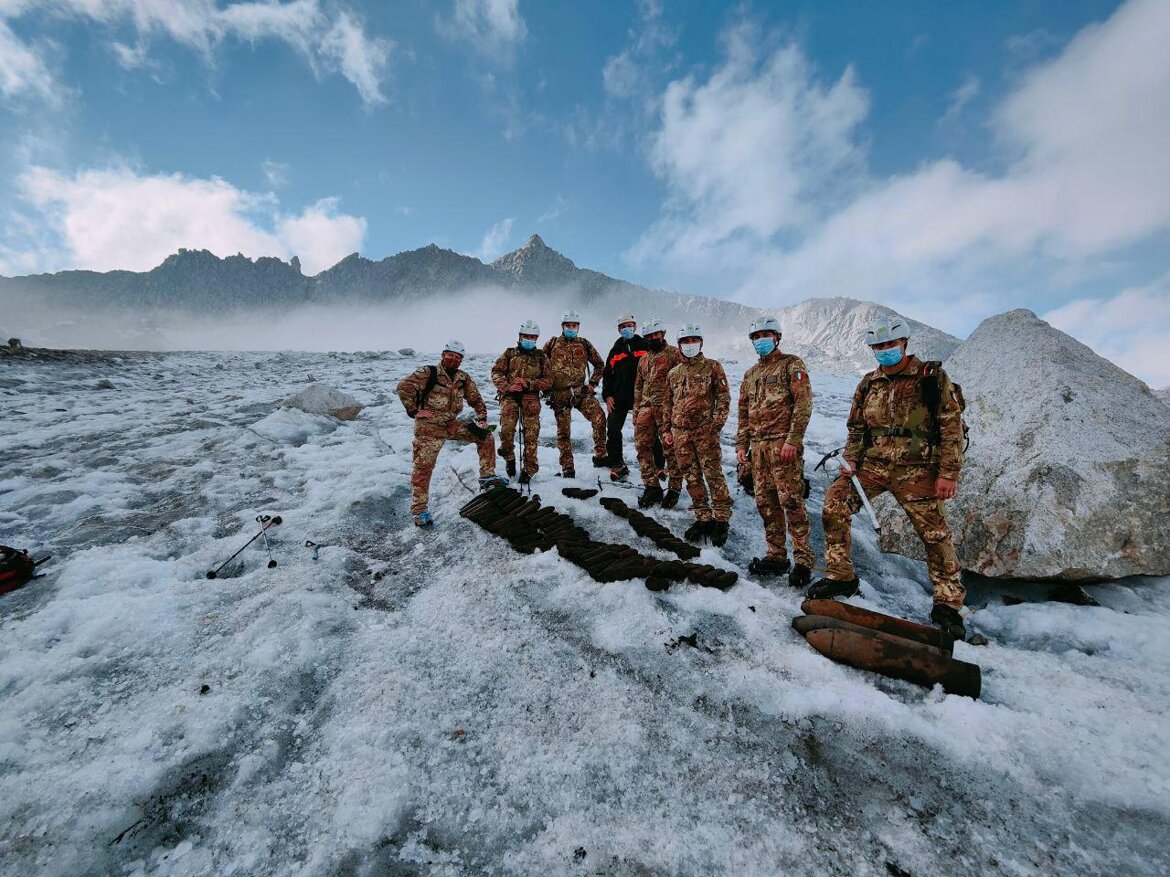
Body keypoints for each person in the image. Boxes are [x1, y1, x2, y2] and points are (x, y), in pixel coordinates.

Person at [808, 314, 968, 640]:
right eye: (878, 346)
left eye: (889, 344)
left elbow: (950, 426)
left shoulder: (931, 377)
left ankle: (948, 602)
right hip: (874, 467)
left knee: (934, 534)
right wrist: (852, 458)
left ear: (904, 344)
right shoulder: (869, 383)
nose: (884, 350)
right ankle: (841, 575)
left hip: (918, 468)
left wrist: (948, 472)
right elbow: (856, 427)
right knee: (834, 504)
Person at [736, 316, 815, 587]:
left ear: (777, 337)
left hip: (783, 446)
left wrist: (793, 440)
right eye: (756, 337)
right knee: (765, 502)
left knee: (791, 501)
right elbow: (743, 414)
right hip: (757, 448)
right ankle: (776, 554)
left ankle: (803, 559)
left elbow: (803, 404)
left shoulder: (792, 365)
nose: (761, 340)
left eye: (766, 335)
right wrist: (740, 446)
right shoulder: (750, 375)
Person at [396, 340, 505, 527]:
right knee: (423, 468)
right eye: (451, 355)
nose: (454, 359)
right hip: (429, 428)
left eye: (458, 357)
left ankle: (487, 477)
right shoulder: (427, 373)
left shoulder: (463, 378)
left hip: (451, 424)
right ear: (443, 355)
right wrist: (415, 411)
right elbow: (403, 387)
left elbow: (476, 399)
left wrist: (482, 417)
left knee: (485, 435)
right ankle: (419, 510)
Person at [662, 323, 732, 546]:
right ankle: (703, 517)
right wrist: (667, 430)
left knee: (713, 474)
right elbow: (668, 403)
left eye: (693, 341)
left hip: (705, 431)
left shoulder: (712, 367)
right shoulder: (673, 373)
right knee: (691, 476)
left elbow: (723, 397)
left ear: (700, 342)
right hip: (680, 433)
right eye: (685, 341)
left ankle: (721, 519)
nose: (689, 345)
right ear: (679, 344)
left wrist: (717, 424)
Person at [541, 311, 609, 479]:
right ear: (562, 326)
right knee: (564, 431)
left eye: (574, 325)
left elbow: (600, 365)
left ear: (578, 327)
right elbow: (540, 365)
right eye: (568, 325)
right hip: (560, 394)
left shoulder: (584, 344)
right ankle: (567, 466)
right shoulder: (552, 344)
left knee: (599, 417)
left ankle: (601, 456)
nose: (571, 328)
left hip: (581, 392)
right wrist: (545, 389)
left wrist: (592, 383)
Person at [491, 319, 553, 485]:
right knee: (506, 431)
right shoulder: (510, 353)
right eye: (526, 336)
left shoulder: (541, 357)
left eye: (532, 337)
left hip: (531, 399)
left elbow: (549, 380)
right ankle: (509, 458)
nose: (529, 339)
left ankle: (529, 469)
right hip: (510, 397)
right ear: (520, 336)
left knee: (531, 436)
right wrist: (507, 387)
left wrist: (530, 384)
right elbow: (496, 372)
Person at [632, 318, 682, 508]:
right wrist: (636, 410)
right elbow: (638, 386)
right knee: (642, 447)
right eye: (650, 336)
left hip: (667, 409)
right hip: (645, 409)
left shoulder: (674, 355)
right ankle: (651, 486)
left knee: (671, 449)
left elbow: (681, 383)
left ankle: (675, 488)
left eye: (656, 334)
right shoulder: (643, 359)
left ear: (662, 334)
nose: (653, 338)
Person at [601, 314, 649, 482]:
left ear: (635, 327)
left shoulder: (645, 345)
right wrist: (607, 395)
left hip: (641, 397)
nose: (627, 329)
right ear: (619, 329)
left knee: (648, 431)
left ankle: (657, 465)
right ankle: (617, 464)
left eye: (630, 325)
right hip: (619, 397)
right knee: (613, 429)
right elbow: (607, 375)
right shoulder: (615, 350)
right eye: (623, 326)